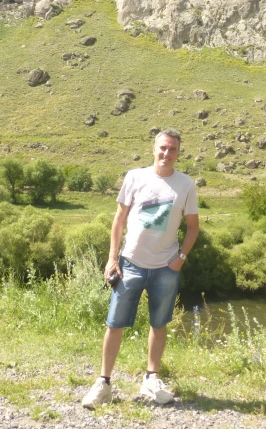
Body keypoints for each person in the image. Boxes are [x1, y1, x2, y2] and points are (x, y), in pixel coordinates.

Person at [81, 129, 199, 408]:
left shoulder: (186, 185)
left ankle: (151, 380)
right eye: (163, 148)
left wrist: (180, 257)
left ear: (178, 153)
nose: (166, 154)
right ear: (153, 149)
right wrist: (112, 258)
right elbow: (119, 219)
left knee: (159, 324)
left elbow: (193, 226)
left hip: (166, 267)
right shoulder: (135, 177)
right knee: (114, 323)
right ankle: (103, 383)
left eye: (172, 149)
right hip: (130, 263)